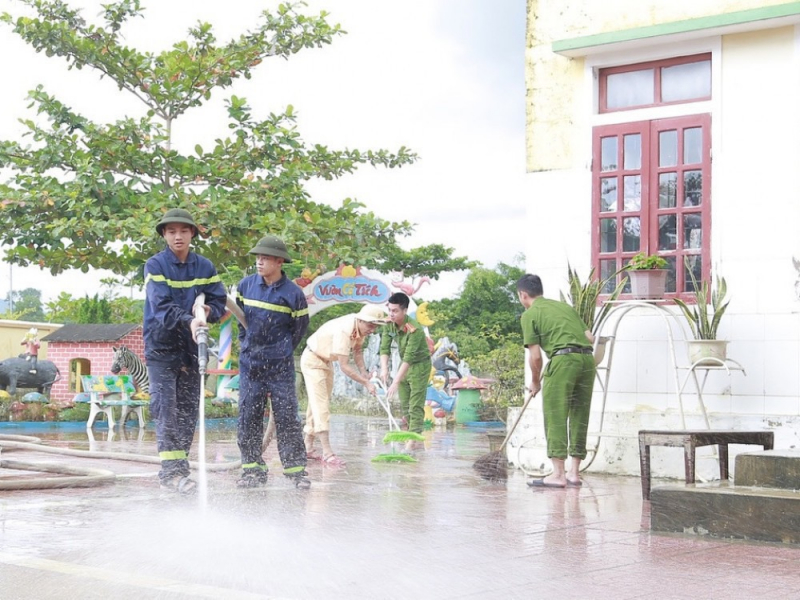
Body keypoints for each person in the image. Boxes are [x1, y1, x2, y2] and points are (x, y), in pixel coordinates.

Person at [144, 208, 228, 495]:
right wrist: (190, 320)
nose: (177, 236)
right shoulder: (155, 265)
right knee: (165, 408)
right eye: (171, 231)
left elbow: (219, 300)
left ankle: (181, 471)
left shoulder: (205, 267)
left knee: (188, 411)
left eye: (183, 230)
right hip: (162, 347)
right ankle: (171, 473)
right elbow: (162, 308)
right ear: (164, 235)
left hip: (192, 348)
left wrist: (208, 311)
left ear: (193, 233)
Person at [235, 235, 310, 489]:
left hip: (280, 367)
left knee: (288, 418)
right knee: (248, 416)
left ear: (279, 261)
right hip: (250, 366)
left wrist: (282, 350)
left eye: (265, 258)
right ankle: (252, 470)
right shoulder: (245, 286)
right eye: (258, 257)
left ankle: (296, 472)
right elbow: (240, 320)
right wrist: (246, 344)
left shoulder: (293, 295)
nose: (259, 262)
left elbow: (299, 329)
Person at [516, 273, 596, 488]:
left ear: (523, 295)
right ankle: (574, 473)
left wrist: (535, 382)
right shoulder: (565, 308)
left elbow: (535, 356)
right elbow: (590, 338)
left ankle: (558, 474)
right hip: (587, 360)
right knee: (580, 413)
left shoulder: (529, 314)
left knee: (555, 413)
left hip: (563, 360)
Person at [301, 304, 388, 466]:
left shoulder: (360, 329)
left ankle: (307, 447)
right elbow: (345, 366)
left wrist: (364, 372)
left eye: (375, 326)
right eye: (370, 325)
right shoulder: (345, 330)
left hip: (326, 361)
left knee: (317, 403)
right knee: (321, 405)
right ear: (361, 320)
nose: (372, 330)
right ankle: (327, 452)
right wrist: (365, 382)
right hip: (313, 360)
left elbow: (358, 351)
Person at [379, 292, 431, 448]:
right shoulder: (389, 324)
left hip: (419, 365)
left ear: (405, 311)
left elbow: (409, 357)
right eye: (390, 310)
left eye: (395, 311)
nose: (391, 314)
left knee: (415, 404)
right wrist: (384, 369)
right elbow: (384, 348)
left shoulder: (415, 329)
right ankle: (412, 435)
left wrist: (395, 381)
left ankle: (412, 442)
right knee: (405, 404)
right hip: (404, 365)